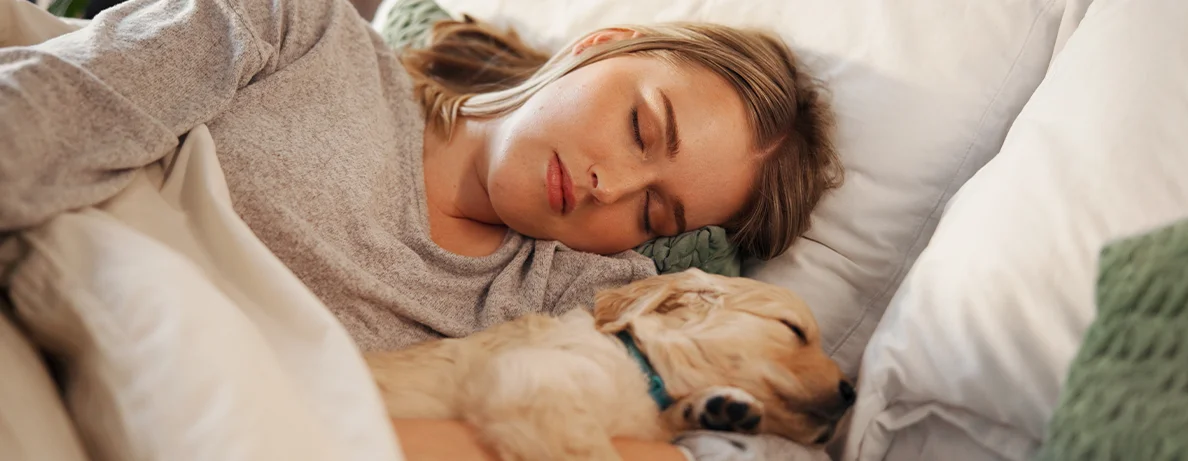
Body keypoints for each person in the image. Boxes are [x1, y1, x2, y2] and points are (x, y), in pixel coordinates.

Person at [0, 0, 843, 459]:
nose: (609, 186)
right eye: (640, 127)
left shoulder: (586, 302)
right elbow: (52, 112)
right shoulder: (305, 32)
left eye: (652, 215)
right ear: (603, 46)